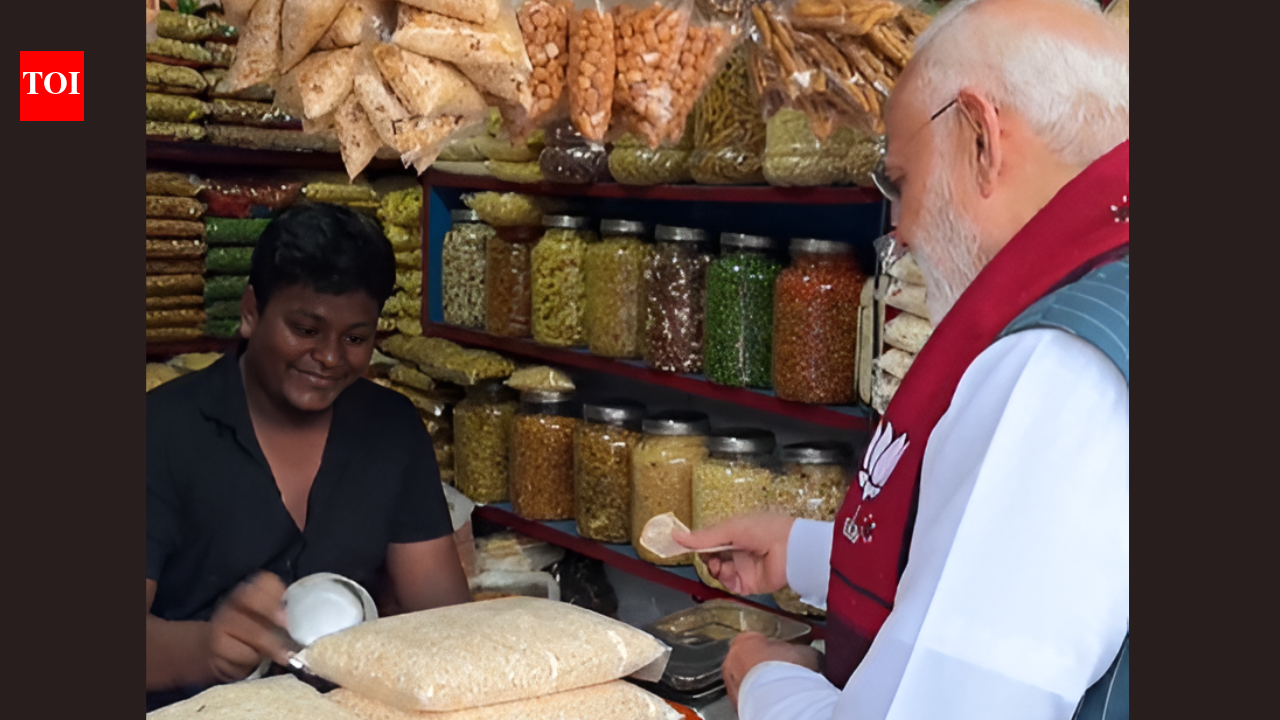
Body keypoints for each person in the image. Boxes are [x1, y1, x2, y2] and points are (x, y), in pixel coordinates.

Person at [676, 0, 1129, 718]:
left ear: (982, 137)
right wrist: (808, 554)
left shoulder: (1056, 369)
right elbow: (1023, 582)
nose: (902, 230)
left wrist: (763, 678)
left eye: (901, 182)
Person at [145, 203, 471, 708]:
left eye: (356, 338)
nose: (330, 358)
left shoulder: (391, 428)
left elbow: (445, 621)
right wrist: (205, 649)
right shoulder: (159, 431)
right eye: (306, 329)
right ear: (252, 311)